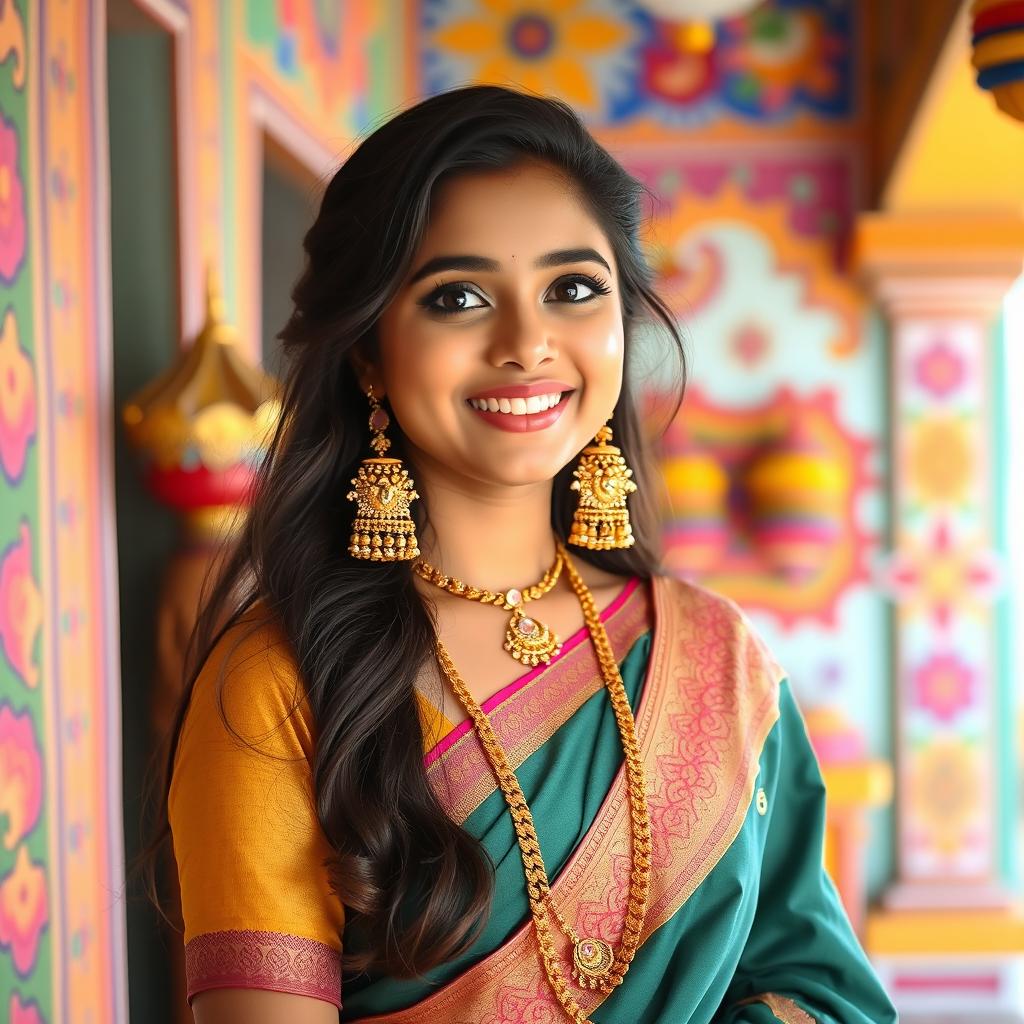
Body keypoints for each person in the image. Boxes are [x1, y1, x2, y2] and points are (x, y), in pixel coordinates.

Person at [154, 85, 897, 1023]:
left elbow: (819, 990)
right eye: (458, 297)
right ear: (369, 353)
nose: (527, 343)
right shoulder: (280, 684)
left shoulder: (716, 659)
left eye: (573, 288)